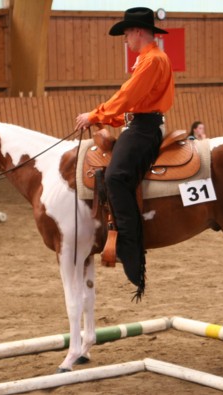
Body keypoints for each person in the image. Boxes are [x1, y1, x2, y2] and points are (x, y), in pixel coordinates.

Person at [75, 7, 175, 300]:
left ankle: (129, 246)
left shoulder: (152, 61)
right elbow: (132, 106)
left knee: (117, 178)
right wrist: (105, 118)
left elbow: (127, 97)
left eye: (127, 33)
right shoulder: (148, 60)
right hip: (140, 125)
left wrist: (95, 115)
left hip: (144, 130)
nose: (125, 39)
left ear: (139, 32)